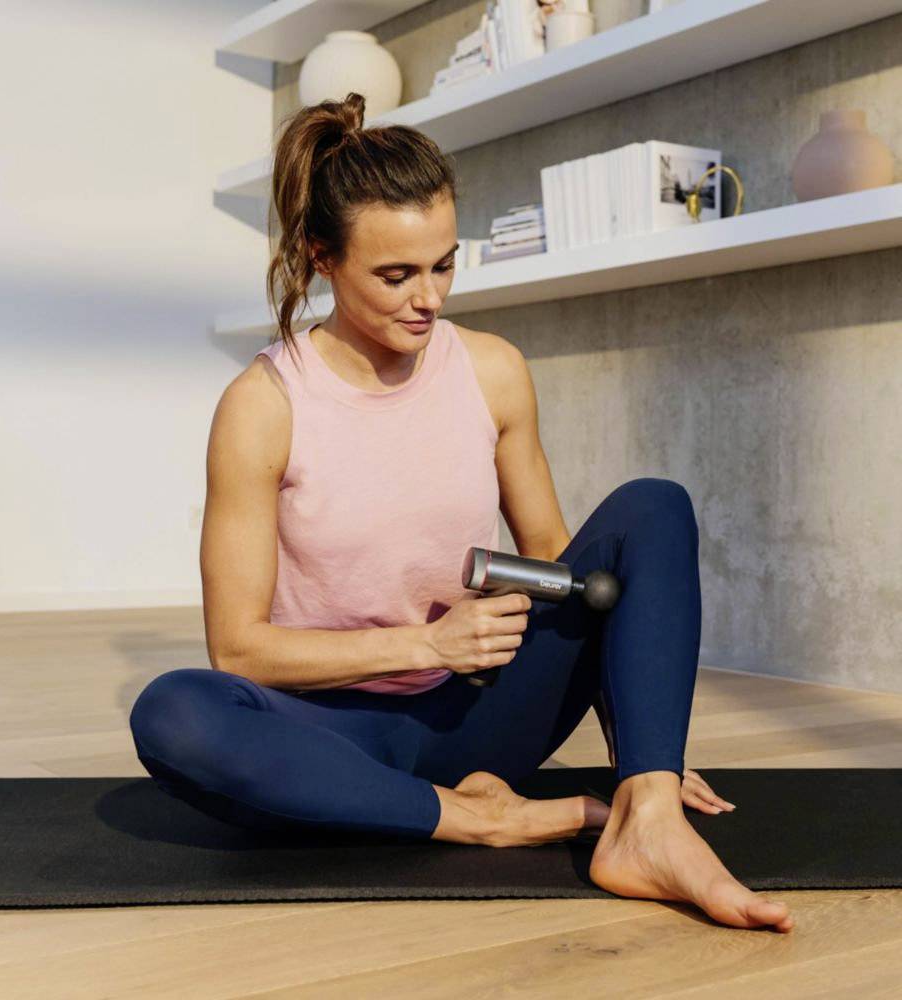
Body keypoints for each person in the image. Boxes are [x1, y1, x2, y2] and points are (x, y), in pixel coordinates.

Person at [129, 92, 794, 933]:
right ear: (320, 256)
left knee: (652, 509)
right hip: (331, 739)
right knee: (175, 710)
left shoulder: (493, 370)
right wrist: (425, 642)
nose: (429, 298)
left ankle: (645, 823)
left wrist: (644, 754)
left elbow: (573, 583)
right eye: (396, 275)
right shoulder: (264, 404)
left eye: (443, 264)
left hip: (476, 715)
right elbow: (239, 648)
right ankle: (474, 816)